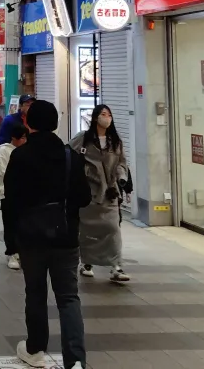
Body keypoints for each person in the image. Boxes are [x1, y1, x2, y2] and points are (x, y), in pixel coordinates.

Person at [6, 101, 92, 369]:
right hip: (65, 236)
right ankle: (76, 361)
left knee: (35, 292)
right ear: (55, 123)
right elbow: (85, 197)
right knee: (68, 297)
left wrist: (13, 242)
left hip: (31, 239)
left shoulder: (20, 156)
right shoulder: (71, 157)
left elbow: (11, 201)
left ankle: (35, 350)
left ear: (29, 123)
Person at [70, 104, 130, 283]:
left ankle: (116, 265)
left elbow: (121, 162)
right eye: (104, 114)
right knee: (87, 231)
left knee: (113, 229)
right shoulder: (83, 139)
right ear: (96, 117)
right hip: (89, 192)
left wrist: (121, 178)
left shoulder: (115, 141)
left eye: (109, 115)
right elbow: (70, 155)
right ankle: (87, 262)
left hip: (110, 192)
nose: (107, 118)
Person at [0, 122, 27, 270]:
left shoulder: (27, 150)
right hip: (8, 193)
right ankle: (12, 252)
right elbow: (3, 172)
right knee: (10, 224)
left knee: (23, 224)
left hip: (25, 192)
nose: (24, 141)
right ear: (13, 138)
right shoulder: (4, 150)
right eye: (21, 138)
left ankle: (23, 252)